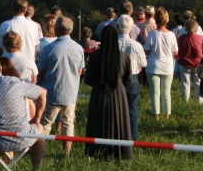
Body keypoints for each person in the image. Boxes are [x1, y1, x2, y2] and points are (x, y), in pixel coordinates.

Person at [84, 25, 134, 160]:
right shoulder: (123, 56)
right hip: (119, 95)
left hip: (99, 95)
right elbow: (129, 79)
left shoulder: (95, 56)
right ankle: (120, 152)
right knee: (119, 122)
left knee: (98, 122)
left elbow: (88, 79)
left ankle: (97, 151)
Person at [37, 16, 85, 154]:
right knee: (68, 123)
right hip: (70, 91)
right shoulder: (78, 48)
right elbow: (80, 71)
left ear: (56, 30)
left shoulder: (50, 49)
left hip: (52, 91)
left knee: (46, 123)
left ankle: (40, 151)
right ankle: (67, 152)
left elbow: (41, 71)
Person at [144, 7, 178, 120]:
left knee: (154, 93)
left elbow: (147, 50)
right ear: (167, 20)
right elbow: (175, 51)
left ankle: (156, 115)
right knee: (166, 93)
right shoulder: (171, 34)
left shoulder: (152, 34)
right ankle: (167, 115)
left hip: (153, 66)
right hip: (167, 66)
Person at [116, 14, 146, 141]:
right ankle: (132, 139)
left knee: (116, 110)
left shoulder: (113, 44)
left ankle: (115, 135)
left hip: (116, 79)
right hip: (132, 78)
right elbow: (143, 64)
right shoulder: (136, 45)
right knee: (132, 110)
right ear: (131, 28)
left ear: (117, 27)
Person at [176, 18, 203, 103]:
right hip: (198, 64)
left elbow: (178, 50)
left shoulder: (181, 38)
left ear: (185, 28)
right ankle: (199, 102)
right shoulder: (200, 38)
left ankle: (185, 102)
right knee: (198, 84)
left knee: (185, 84)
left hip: (184, 63)